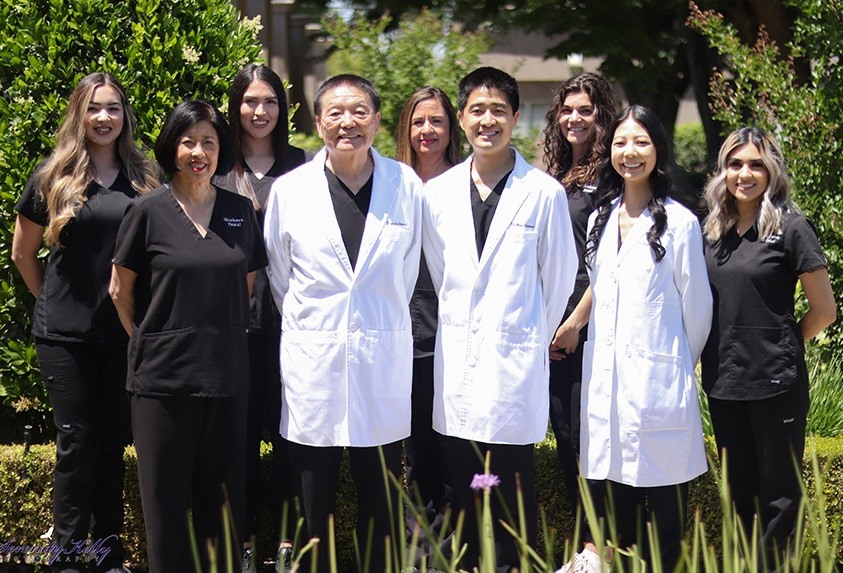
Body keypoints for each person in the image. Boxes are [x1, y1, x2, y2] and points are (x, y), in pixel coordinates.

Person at [262, 74, 422, 573]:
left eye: (359, 111)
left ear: (376, 118)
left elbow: (410, 270)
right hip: (315, 362)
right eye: (335, 112)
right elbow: (279, 277)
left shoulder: (405, 185)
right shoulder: (291, 191)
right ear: (317, 123)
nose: (347, 122)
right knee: (315, 497)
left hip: (381, 362)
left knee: (381, 496)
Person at [421, 66, 576, 571]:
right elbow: (442, 273)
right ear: (462, 119)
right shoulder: (437, 194)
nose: (488, 121)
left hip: (513, 366)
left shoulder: (544, 192)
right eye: (477, 111)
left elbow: (556, 279)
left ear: (514, 119)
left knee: (510, 491)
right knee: (465, 487)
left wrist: (524, 331)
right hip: (460, 366)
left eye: (499, 111)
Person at [11, 72, 159, 573]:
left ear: (125, 116)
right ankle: (69, 557)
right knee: (77, 441)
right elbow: (23, 254)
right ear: (79, 113)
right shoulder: (51, 176)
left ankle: (109, 553)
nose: (104, 118)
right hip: (64, 338)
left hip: (123, 333)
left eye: (113, 108)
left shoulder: (144, 178)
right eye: (94, 108)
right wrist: (53, 303)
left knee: (114, 441)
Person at [110, 100, 266, 573]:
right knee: (165, 509)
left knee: (222, 509)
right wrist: (153, 340)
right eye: (188, 141)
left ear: (222, 151)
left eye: (209, 143)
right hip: (162, 383)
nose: (198, 152)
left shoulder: (241, 210)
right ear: (171, 146)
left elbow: (248, 283)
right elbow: (121, 289)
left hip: (226, 378)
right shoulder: (146, 211)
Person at [563, 105, 712, 573]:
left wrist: (671, 369)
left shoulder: (680, 223)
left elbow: (697, 312)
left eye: (641, 142)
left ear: (658, 150)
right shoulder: (599, 220)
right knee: (615, 519)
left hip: (658, 388)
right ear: (609, 153)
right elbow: (600, 292)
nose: (630, 152)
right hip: (606, 390)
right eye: (621, 143)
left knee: (666, 521)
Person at [701, 127, 836, 569]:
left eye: (756, 164)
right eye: (735, 164)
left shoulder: (793, 228)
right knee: (739, 493)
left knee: (780, 497)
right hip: (723, 384)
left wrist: (782, 343)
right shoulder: (712, 232)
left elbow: (824, 311)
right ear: (722, 171)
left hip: (777, 384)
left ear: (773, 170)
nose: (745, 173)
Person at [215, 63, 307, 573]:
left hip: (293, 324)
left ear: (283, 109)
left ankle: (291, 542)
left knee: (292, 434)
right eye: (250, 101)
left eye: (269, 101)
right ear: (236, 107)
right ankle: (245, 541)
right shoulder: (216, 162)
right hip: (230, 326)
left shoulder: (303, 166)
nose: (259, 111)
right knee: (240, 438)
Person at [542, 72, 618, 513]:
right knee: (566, 433)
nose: (574, 118)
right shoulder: (556, 175)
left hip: (587, 326)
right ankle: (583, 541)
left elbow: (609, 261)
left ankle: (599, 544)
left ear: (602, 116)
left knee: (589, 436)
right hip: (555, 327)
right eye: (567, 110)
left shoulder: (611, 178)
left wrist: (575, 323)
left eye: (585, 110)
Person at [394, 86, 461, 556]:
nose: (427, 131)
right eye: (419, 121)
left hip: (454, 330)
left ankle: (458, 545)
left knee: (453, 446)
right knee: (416, 445)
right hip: (403, 332)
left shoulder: (465, 182)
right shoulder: (392, 183)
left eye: (436, 121)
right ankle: (421, 551)